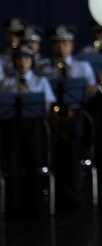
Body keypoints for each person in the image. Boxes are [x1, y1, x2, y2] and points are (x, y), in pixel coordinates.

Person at [0, 45, 56, 213]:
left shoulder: (41, 81)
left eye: (26, 59)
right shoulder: (8, 83)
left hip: (34, 126)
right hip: (13, 126)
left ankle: (36, 202)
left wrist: (29, 95)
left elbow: (47, 106)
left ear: (31, 62)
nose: (23, 62)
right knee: (13, 163)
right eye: (19, 59)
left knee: (34, 162)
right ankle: (14, 202)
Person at [47, 24, 97, 208]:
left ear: (71, 45)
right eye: (57, 44)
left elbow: (91, 91)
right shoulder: (45, 67)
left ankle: (75, 194)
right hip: (53, 116)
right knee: (56, 154)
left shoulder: (81, 66)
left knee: (74, 153)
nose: (61, 47)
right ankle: (58, 194)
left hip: (75, 113)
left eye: (65, 43)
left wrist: (86, 88)